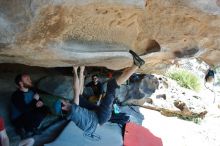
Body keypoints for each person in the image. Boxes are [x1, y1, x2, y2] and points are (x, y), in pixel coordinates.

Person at [61, 50, 145, 135]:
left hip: (96, 115)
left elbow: (79, 91)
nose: (65, 101)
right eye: (64, 102)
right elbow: (76, 89)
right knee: (111, 85)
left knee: (83, 97)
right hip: (101, 117)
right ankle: (137, 64)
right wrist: (75, 70)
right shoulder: (74, 109)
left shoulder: (76, 110)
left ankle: (132, 66)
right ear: (64, 107)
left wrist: (82, 71)